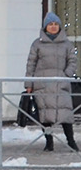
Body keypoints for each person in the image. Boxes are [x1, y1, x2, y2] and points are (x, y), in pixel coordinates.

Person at [25, 12, 79, 152]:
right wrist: (28, 84)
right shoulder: (37, 44)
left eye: (56, 24)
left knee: (65, 114)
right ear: (45, 27)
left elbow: (72, 61)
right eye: (50, 24)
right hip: (42, 84)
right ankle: (49, 143)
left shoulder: (67, 44)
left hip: (61, 83)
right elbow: (31, 64)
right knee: (45, 115)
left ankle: (71, 142)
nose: (53, 27)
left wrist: (65, 75)